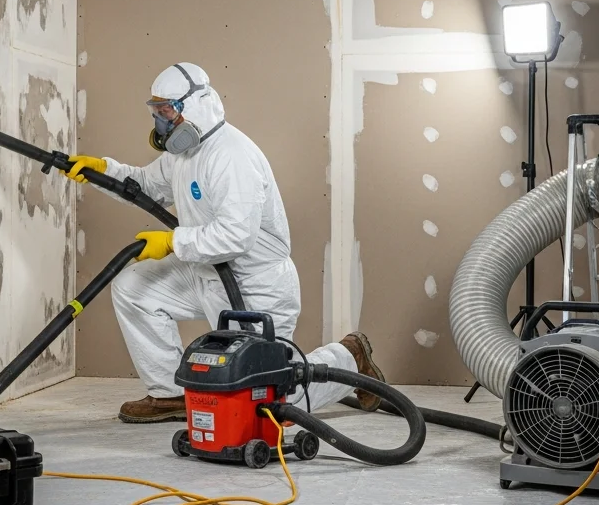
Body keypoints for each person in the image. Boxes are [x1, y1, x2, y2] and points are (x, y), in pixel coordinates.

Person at [65, 62, 386, 423]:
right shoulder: (183, 153)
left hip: (254, 285)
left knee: (268, 403)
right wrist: (99, 171)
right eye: (156, 112)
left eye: (167, 111)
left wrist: (173, 242)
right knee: (134, 287)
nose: (160, 122)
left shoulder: (231, 156)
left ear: (196, 105)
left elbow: (236, 236)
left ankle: (350, 357)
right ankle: (170, 393)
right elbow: (144, 184)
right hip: (205, 272)